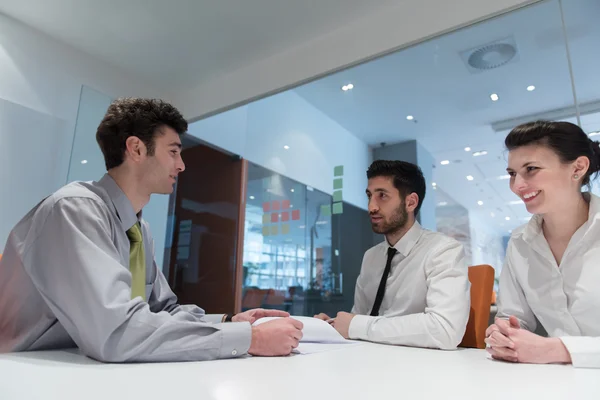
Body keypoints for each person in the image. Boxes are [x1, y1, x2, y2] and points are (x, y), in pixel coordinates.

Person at [0, 98, 303, 362]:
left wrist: (230, 322)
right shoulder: (75, 210)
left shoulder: (138, 228)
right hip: (24, 371)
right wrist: (249, 339)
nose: (181, 165)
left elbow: (163, 310)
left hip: (82, 367)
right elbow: (117, 333)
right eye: (173, 152)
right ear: (136, 148)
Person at [315, 160, 470, 349]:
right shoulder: (371, 257)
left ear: (410, 202)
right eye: (369, 195)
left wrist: (356, 325)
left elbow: (445, 330)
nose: (371, 206)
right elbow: (360, 320)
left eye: (382, 196)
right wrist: (332, 326)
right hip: (368, 362)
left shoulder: (443, 251)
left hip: (421, 369)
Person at [486, 121, 600, 369]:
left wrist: (557, 349)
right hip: (553, 383)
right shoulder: (519, 243)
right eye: (512, 173)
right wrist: (504, 334)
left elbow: (551, 349)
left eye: (531, 169)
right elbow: (513, 319)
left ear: (578, 168)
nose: (517, 186)